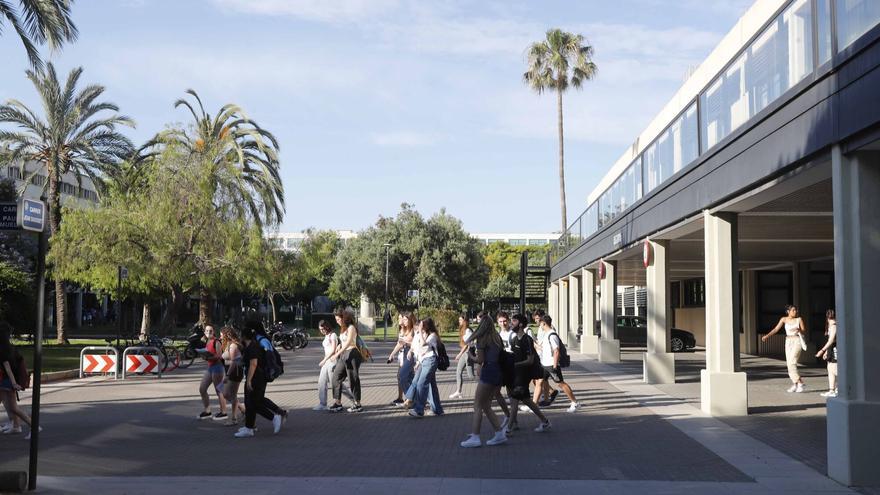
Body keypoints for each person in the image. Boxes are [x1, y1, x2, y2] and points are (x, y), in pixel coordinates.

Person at [460, 315, 508, 448]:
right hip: (498, 371)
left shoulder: (482, 339)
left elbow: (480, 360)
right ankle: (499, 433)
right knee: (486, 405)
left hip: (488, 371)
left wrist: (470, 355)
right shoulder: (496, 337)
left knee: (478, 405)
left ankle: (475, 436)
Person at [234, 326, 284, 438]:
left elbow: (253, 364)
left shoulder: (253, 347)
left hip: (257, 378)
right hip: (257, 378)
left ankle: (274, 418)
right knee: (249, 403)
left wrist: (249, 381)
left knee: (254, 403)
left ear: (244, 336)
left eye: (240, 335)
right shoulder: (250, 345)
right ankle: (248, 428)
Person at [506, 314, 551, 433]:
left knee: (514, 399)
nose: (511, 323)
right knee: (526, 400)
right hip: (517, 374)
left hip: (524, 376)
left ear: (520, 324)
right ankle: (545, 421)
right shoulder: (515, 338)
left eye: (514, 321)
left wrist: (515, 365)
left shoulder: (527, 339)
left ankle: (507, 429)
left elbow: (530, 360)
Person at [535, 315, 580, 413]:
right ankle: (534, 405)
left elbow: (556, 351)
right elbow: (545, 349)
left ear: (544, 323)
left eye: (540, 324)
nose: (540, 326)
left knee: (561, 384)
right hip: (545, 364)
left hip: (551, 365)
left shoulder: (552, 335)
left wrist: (555, 366)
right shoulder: (547, 334)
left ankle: (574, 402)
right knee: (539, 382)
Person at [0, 323, 37, 439]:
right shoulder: (8, 348)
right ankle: (16, 425)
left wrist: (14, 383)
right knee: (10, 406)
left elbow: (8, 369)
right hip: (5, 381)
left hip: (7, 382)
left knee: (13, 408)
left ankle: (34, 427)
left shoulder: (3, 351)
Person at [761, 304, 807, 393]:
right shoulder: (784, 319)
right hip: (788, 342)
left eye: (796, 310)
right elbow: (775, 329)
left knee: (792, 363)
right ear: (788, 311)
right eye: (793, 310)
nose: (795, 311)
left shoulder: (799, 319)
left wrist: (799, 330)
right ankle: (795, 384)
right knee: (789, 364)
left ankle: (800, 383)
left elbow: (804, 330)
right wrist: (767, 336)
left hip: (797, 341)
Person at [329, 309, 364, 413]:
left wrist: (337, 354)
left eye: (338, 319)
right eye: (336, 319)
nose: (337, 321)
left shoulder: (351, 327)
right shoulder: (343, 329)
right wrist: (339, 346)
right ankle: (338, 403)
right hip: (344, 355)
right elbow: (343, 341)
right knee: (336, 377)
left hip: (352, 354)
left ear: (344, 318)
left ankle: (358, 404)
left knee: (353, 379)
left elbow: (349, 342)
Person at [408, 318, 444, 418]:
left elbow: (424, 344)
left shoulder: (433, 335)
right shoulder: (423, 334)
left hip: (430, 361)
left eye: (422, 325)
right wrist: (418, 362)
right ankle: (437, 410)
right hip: (424, 361)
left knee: (421, 384)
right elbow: (420, 349)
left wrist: (419, 331)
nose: (421, 327)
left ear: (427, 326)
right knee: (432, 386)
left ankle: (419, 410)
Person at [316, 319, 355, 410]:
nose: (322, 331)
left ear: (327, 327)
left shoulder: (333, 335)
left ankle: (353, 398)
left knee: (336, 384)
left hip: (332, 362)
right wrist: (325, 360)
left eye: (323, 329)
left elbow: (333, 350)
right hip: (326, 362)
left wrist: (324, 359)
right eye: (320, 330)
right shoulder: (326, 336)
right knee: (321, 382)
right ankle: (322, 403)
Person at [197, 325, 228, 421]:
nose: (208, 332)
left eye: (210, 331)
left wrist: (208, 357)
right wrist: (203, 355)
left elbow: (219, 356)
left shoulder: (216, 341)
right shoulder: (207, 341)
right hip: (210, 368)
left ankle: (224, 412)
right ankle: (207, 411)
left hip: (217, 368)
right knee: (202, 389)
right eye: (206, 331)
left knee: (219, 391)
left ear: (213, 331)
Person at [387, 312, 416, 406]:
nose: (402, 321)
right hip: (404, 355)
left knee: (402, 376)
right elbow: (400, 344)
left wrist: (406, 343)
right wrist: (392, 354)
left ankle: (410, 398)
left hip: (411, 355)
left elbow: (415, 343)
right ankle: (412, 399)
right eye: (401, 319)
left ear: (410, 320)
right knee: (408, 378)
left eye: (404, 319)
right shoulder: (404, 330)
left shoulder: (413, 330)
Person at [220, 326, 246, 426]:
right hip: (230, 371)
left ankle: (234, 418)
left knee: (231, 395)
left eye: (222, 335)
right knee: (226, 394)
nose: (220, 337)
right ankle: (243, 409)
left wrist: (227, 375)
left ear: (227, 335)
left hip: (235, 372)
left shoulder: (233, 346)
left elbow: (234, 362)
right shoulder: (228, 344)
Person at [449, 313, 474, 399]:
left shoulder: (467, 331)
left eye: (460, 320)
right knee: (458, 371)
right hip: (465, 353)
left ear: (465, 321)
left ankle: (488, 387)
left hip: (468, 354)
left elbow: (467, 345)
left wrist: (459, 354)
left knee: (471, 376)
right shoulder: (463, 330)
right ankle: (458, 391)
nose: (459, 321)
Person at [816, 309, 838, 398]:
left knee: (835, 369)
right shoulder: (831, 325)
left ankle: (837, 389)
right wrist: (826, 351)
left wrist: (822, 351)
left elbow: (831, 340)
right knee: (830, 368)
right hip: (831, 348)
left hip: (835, 348)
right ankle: (832, 389)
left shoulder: (833, 325)